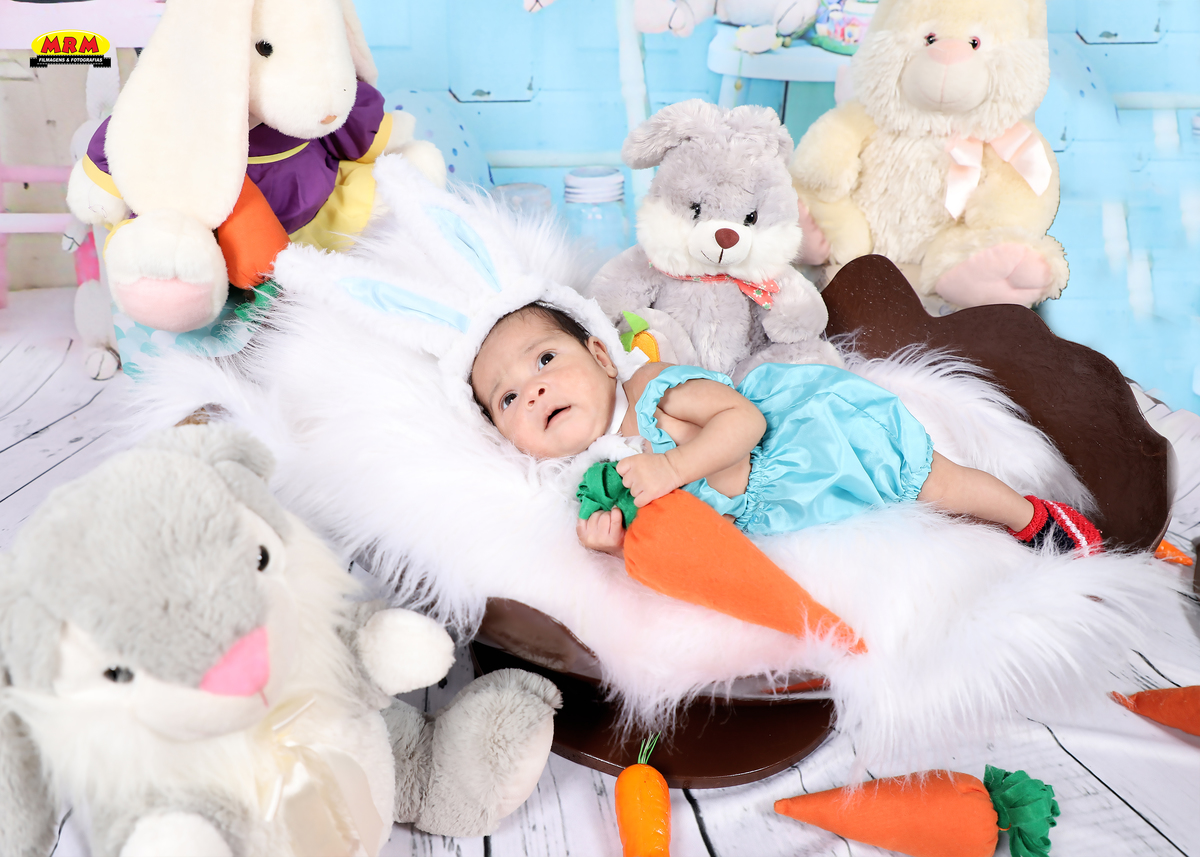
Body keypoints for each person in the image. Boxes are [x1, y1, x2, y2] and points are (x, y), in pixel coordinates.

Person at [470, 302, 1103, 558]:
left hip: (818, 440)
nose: (535, 390)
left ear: (602, 357)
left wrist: (670, 467)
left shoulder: (651, 392)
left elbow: (743, 421)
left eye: (545, 359)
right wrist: (613, 545)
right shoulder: (585, 484)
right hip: (780, 516)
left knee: (934, 482)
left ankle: (1032, 517)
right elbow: (669, 546)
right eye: (508, 397)